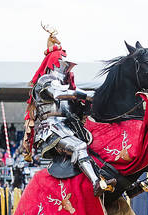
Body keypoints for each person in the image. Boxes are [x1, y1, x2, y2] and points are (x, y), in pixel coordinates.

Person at [23, 27, 114, 196]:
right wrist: (85, 95)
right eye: (64, 62)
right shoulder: (46, 80)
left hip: (69, 126)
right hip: (51, 128)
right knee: (79, 147)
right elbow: (59, 93)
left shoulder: (65, 84)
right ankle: (96, 182)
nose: (68, 67)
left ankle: (128, 186)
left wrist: (103, 96)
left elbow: (79, 99)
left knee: (99, 145)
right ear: (55, 63)